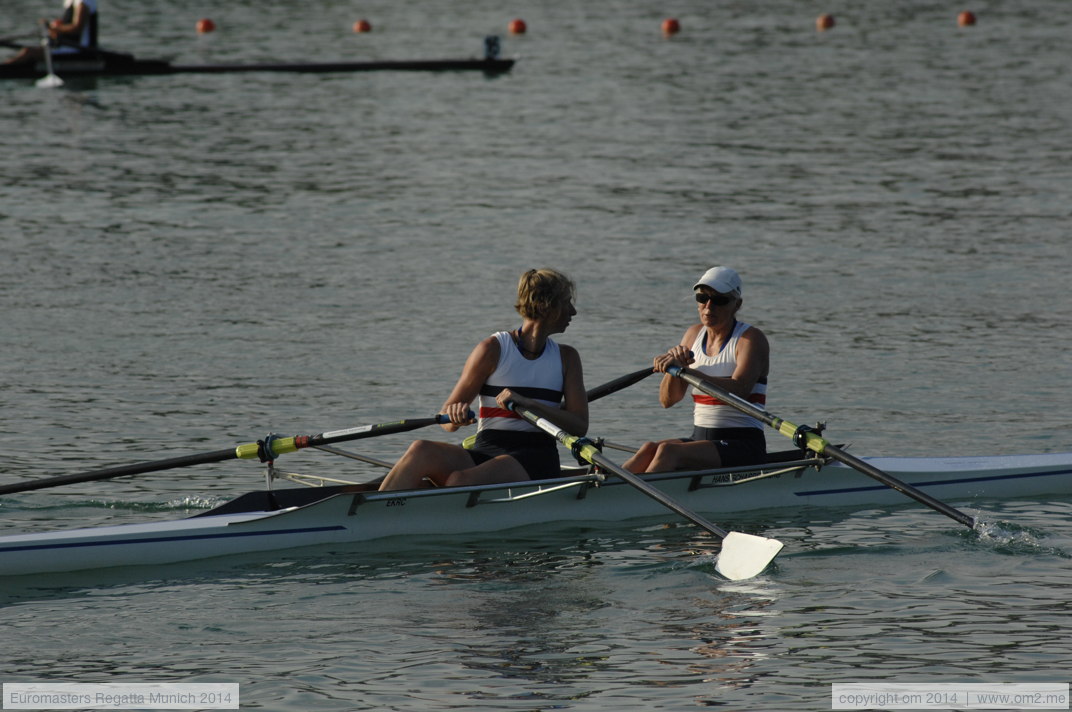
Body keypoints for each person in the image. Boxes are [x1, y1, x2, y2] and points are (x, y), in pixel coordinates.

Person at [378, 268, 588, 491]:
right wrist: (455, 416)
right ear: (547, 306)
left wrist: (529, 403)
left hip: (535, 458)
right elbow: (447, 422)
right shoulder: (492, 349)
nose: (573, 311)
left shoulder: (567, 358)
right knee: (421, 450)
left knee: (461, 481)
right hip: (486, 449)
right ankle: (374, 517)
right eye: (567, 303)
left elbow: (579, 425)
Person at [623, 266, 769, 474]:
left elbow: (740, 390)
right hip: (700, 439)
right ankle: (601, 493)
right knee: (649, 449)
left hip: (743, 444)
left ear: (737, 304)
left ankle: (634, 502)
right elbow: (668, 400)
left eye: (719, 301)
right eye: (702, 298)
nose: (708, 307)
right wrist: (672, 371)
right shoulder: (693, 335)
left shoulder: (750, 339)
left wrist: (686, 372)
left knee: (668, 451)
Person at [4, 0, 99, 66]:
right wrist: (54, 27)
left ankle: (5, 69)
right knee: (29, 50)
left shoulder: (84, 1)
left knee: (28, 52)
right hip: (66, 46)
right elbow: (66, 25)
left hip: (80, 49)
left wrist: (54, 28)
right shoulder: (70, 2)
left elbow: (77, 28)